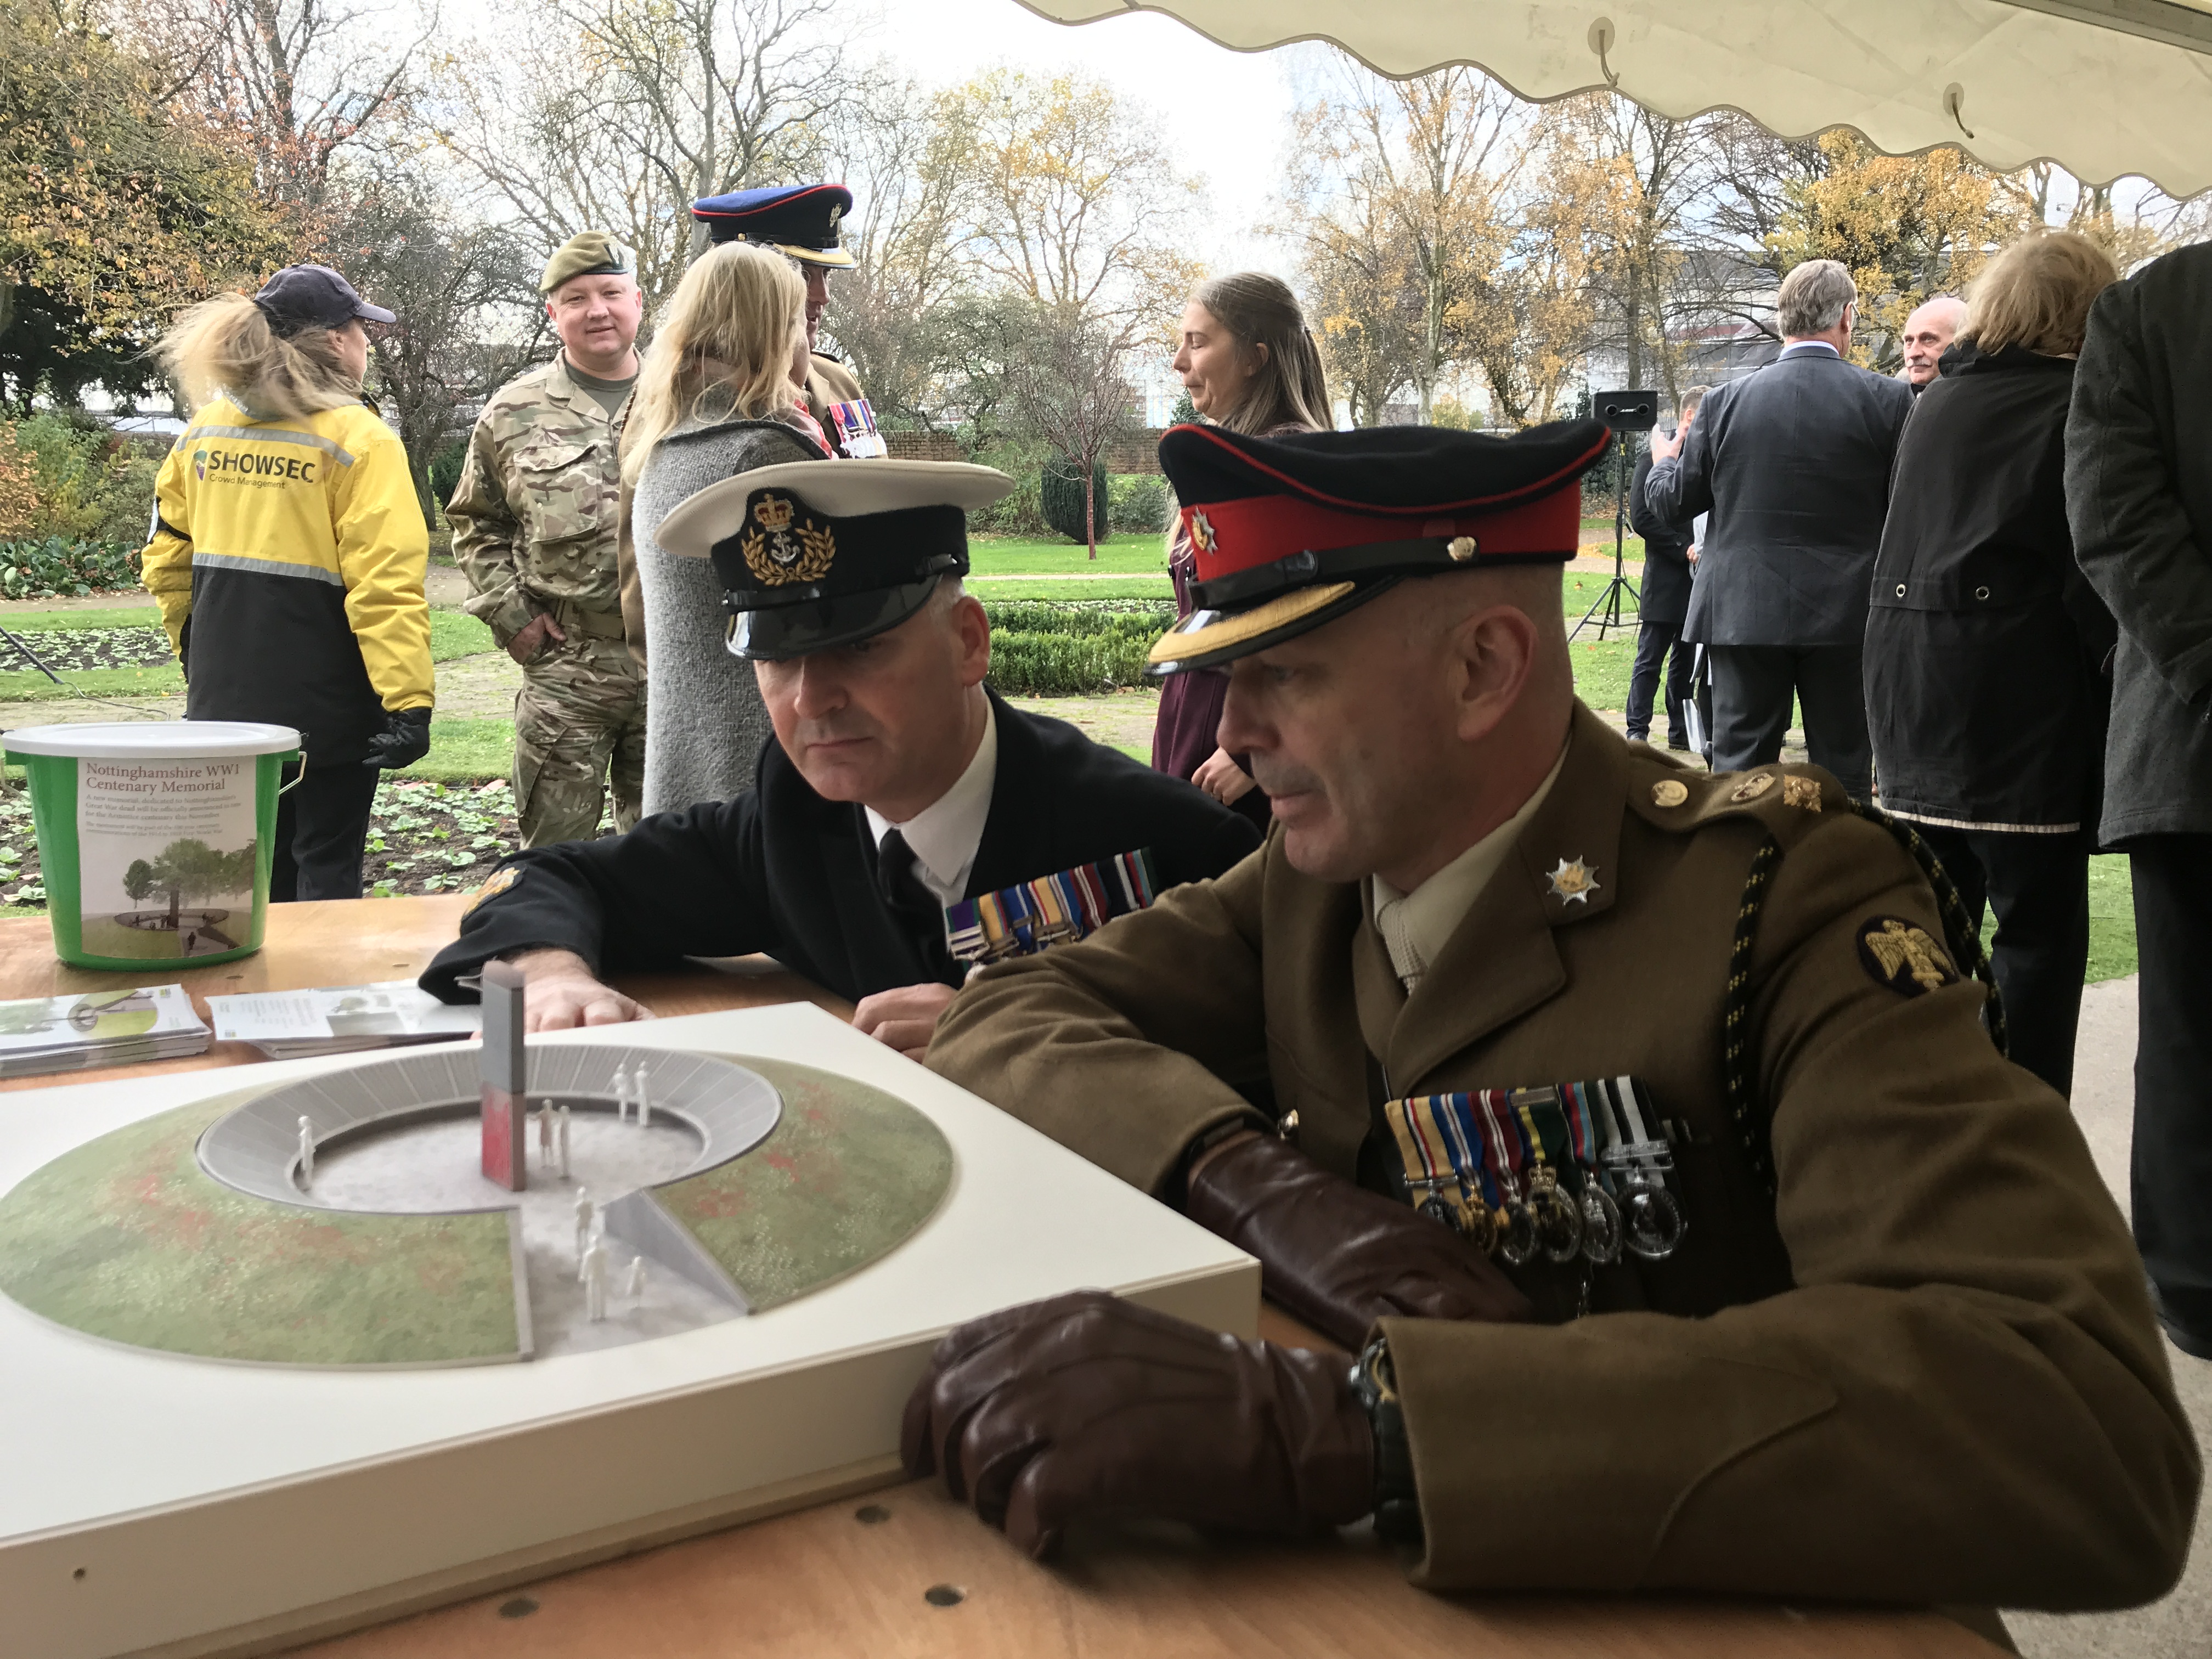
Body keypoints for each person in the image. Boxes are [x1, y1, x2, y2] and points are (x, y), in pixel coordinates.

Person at [905, 420, 2198, 1626]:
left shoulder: (1782, 899)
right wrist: (1255, 1190)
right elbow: (1004, 1016)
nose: (1232, 733)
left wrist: (1369, 1429)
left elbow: (2078, 1414)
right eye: (1224, 676)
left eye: (1282, 673)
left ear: (1483, 669)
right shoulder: (1316, 880)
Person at [420, 460, 1261, 1057]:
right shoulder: (798, 818)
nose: (811, 700)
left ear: (969, 645)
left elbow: (1289, 1007)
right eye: (779, 659)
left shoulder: (1139, 830)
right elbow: (555, 877)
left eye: (859, 650)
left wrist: (1024, 1028)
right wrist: (550, 973)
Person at [1865, 233, 2119, 1101]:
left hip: (1909, 694)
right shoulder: (2079, 405)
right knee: (2039, 939)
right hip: (2017, 701)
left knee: (1930, 936)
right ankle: (2025, 1135)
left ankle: (1923, 1114)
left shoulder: (1937, 402)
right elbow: (2091, 562)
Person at [142, 265, 435, 901]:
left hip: (225, 703)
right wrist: (408, 702)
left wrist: (198, 654)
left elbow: (166, 560)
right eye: (363, 328)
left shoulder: (203, 432)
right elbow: (384, 584)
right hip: (330, 704)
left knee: (247, 875)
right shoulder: (359, 440)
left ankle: (250, 998)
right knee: (326, 867)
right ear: (336, 340)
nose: (368, 342)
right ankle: (317, 1000)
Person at [2067, 239, 2212, 1361]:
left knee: (2189, 1032)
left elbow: (2114, 519)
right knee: (2190, 1033)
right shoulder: (2155, 310)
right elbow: (2116, 519)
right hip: (2191, 744)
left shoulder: (2146, 308)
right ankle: (2196, 1285)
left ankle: (2195, 1284)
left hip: (2187, 733)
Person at [1646, 259, 1913, 798]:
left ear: (1784, 319)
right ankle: (1835, 878)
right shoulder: (1889, 401)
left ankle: (1733, 877)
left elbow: (1672, 505)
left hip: (1743, 612)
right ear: (1847, 319)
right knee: (1844, 773)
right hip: (1849, 616)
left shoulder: (1723, 404)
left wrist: (1663, 463)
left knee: (1739, 771)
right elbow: (1910, 509)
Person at [447, 233, 647, 849]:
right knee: (555, 858)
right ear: (552, 314)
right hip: (567, 667)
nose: (597, 310)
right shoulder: (512, 413)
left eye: (611, 293)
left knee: (675, 858)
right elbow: (476, 522)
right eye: (576, 298)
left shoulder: (689, 399)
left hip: (675, 663)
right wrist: (514, 618)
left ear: (637, 301)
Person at [621, 241, 831, 817]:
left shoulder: (666, 444)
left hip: (689, 768)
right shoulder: (760, 454)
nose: (805, 341)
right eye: (797, 322)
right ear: (772, 332)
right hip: (762, 779)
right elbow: (831, 620)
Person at [1154, 273, 1333, 830]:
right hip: (1197, 727)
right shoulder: (1231, 460)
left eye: (1198, 342)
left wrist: (1254, 754)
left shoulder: (1287, 464)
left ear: (1256, 358)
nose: (1179, 361)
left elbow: (1324, 629)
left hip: (1238, 750)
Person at [687, 184, 887, 459]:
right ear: (739, 286)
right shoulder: (677, 397)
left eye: (826, 274)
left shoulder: (838, 380)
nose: (823, 296)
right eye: (801, 275)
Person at [1626, 386, 1705, 751]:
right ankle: (1637, 731)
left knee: (1686, 663)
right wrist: (1682, 547)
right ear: (1690, 416)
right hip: (1666, 577)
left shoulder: (1706, 460)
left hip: (1699, 581)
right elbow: (1642, 517)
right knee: (1651, 658)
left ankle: (1680, 733)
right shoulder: (1654, 458)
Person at [1899, 295, 1968, 392]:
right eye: (1909, 341)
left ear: (1964, 341)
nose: (1913, 354)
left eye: (1928, 339)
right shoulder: (1898, 395)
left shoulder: (1982, 395)